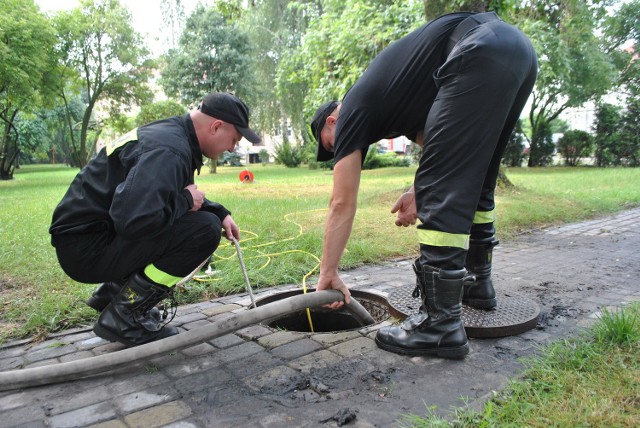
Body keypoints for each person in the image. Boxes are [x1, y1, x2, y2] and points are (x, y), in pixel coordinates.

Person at [310, 12, 537, 358]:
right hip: (516, 50)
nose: (338, 150)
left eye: (330, 144)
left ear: (331, 122)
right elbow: (446, 155)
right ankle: (478, 287)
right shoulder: (396, 104)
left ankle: (440, 324)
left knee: (442, 192)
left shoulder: (353, 109)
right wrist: (418, 188)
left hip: (478, 51)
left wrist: (328, 273)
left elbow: (342, 201)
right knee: (479, 179)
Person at [50, 92, 261, 347]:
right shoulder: (169, 149)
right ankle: (123, 315)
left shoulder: (172, 135)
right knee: (203, 231)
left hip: (88, 239)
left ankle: (114, 293)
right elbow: (134, 221)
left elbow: (160, 194)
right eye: (234, 140)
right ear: (216, 126)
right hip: (88, 250)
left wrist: (219, 211)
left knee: (206, 219)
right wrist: (186, 201)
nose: (232, 148)